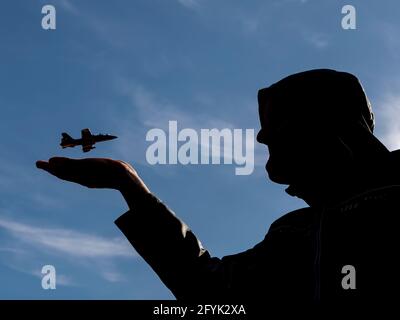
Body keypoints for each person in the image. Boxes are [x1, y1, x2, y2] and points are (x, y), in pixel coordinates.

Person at [36, 69, 400, 302]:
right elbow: (211, 291)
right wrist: (130, 188)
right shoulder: (295, 235)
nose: (274, 173)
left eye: (282, 141)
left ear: (333, 134)